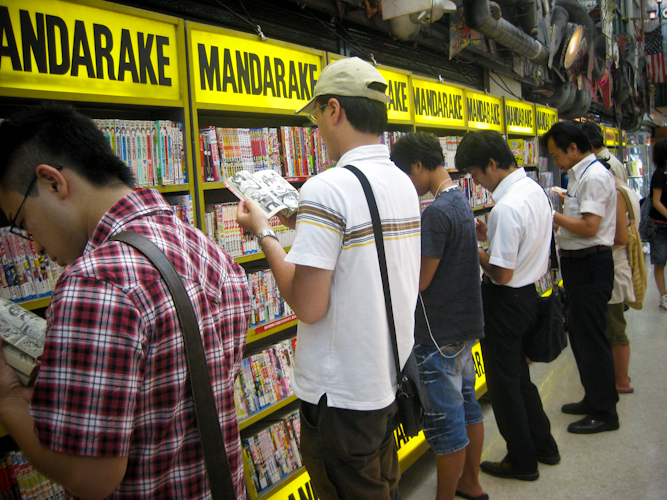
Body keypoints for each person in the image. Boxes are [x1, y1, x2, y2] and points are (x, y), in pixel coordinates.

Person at [0, 104, 252, 499]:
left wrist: (8, 398)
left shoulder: (94, 282)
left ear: (52, 182)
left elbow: (90, 477)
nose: (35, 246)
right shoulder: (207, 249)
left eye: (22, 222)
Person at [236, 57, 420, 500]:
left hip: (341, 398)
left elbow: (308, 305)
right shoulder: (402, 182)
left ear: (334, 109)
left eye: (316, 114)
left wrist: (264, 233)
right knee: (384, 485)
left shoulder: (328, 187)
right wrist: (304, 224)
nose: (316, 127)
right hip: (387, 381)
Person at [454, 130, 558, 482]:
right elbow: (525, 244)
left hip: (505, 303)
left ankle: (522, 461)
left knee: (504, 388)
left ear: (491, 164)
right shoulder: (534, 190)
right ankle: (544, 446)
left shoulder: (506, 207)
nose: (476, 182)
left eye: (475, 174)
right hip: (530, 296)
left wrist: (473, 247)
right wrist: (490, 239)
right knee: (521, 380)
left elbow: (501, 272)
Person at [390, 133, 487, 500]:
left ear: (419, 166)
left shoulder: (435, 213)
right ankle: (471, 483)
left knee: (446, 428)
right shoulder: (460, 200)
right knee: (469, 410)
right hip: (462, 328)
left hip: (436, 337)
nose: (406, 184)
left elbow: (421, 281)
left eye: (405, 174)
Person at [545, 121, 619, 434]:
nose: (556, 161)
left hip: (591, 265)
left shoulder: (595, 177)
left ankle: (605, 412)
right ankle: (593, 397)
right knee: (580, 335)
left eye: (556, 155)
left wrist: (551, 215)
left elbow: (590, 227)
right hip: (578, 265)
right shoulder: (579, 176)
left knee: (593, 339)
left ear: (573, 148)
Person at [649, 140, 667, 310]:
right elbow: (656, 202)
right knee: (660, 262)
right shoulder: (659, 175)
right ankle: (663, 296)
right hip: (660, 226)